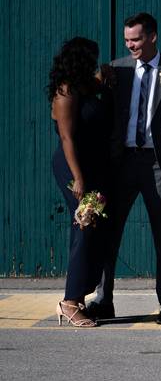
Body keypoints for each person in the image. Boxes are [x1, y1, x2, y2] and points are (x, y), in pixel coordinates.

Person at [88, 13, 161, 324]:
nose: (130, 45)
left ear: (152, 36)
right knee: (109, 231)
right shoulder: (116, 69)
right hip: (122, 162)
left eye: (136, 39)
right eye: (127, 40)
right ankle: (103, 297)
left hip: (159, 164)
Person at [49, 37, 111, 328]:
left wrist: (106, 75)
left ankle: (78, 297)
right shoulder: (65, 91)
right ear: (81, 59)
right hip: (73, 166)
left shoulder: (85, 84)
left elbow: (101, 81)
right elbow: (67, 138)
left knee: (93, 230)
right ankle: (70, 301)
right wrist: (79, 178)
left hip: (93, 166)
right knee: (84, 227)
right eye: (92, 58)